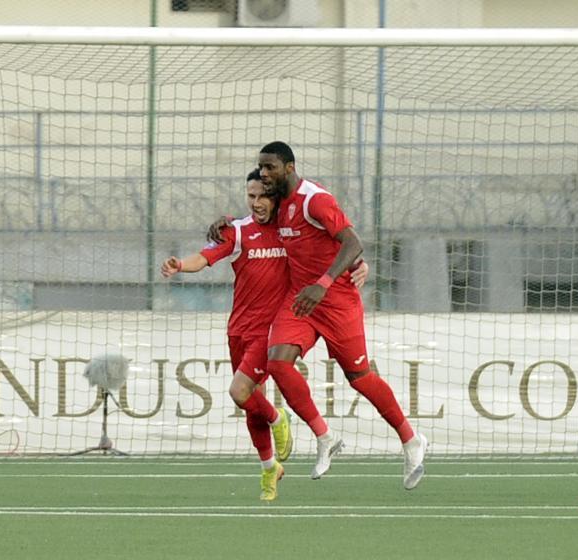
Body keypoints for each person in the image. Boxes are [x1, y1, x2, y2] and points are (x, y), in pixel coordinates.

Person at [211, 142, 426, 488]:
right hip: (301, 300)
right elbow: (258, 222)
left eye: (269, 167)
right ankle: (325, 436)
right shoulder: (279, 203)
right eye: (261, 168)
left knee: (359, 377)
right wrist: (227, 222)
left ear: (289, 167)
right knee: (277, 362)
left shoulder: (315, 200)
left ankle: (411, 440)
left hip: (335, 300)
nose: (264, 174)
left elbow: (352, 242)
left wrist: (332, 279)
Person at [163, 169, 369, 500]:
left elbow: (333, 246)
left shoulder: (291, 232)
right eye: (251, 196)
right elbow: (206, 256)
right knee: (250, 404)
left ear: (276, 198)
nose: (257, 203)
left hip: (271, 331)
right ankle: (269, 467)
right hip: (238, 329)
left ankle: (278, 417)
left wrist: (360, 265)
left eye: (263, 196)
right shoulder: (238, 230)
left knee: (239, 390)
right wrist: (180, 265)